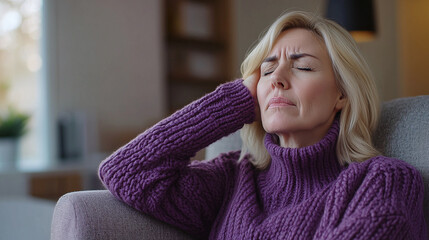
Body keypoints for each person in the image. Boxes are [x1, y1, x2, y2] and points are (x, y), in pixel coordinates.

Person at [99, 11, 427, 239]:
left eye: (304, 68)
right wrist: (236, 99)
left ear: (341, 94)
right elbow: (126, 172)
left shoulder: (382, 182)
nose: (277, 80)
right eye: (267, 71)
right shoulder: (233, 178)